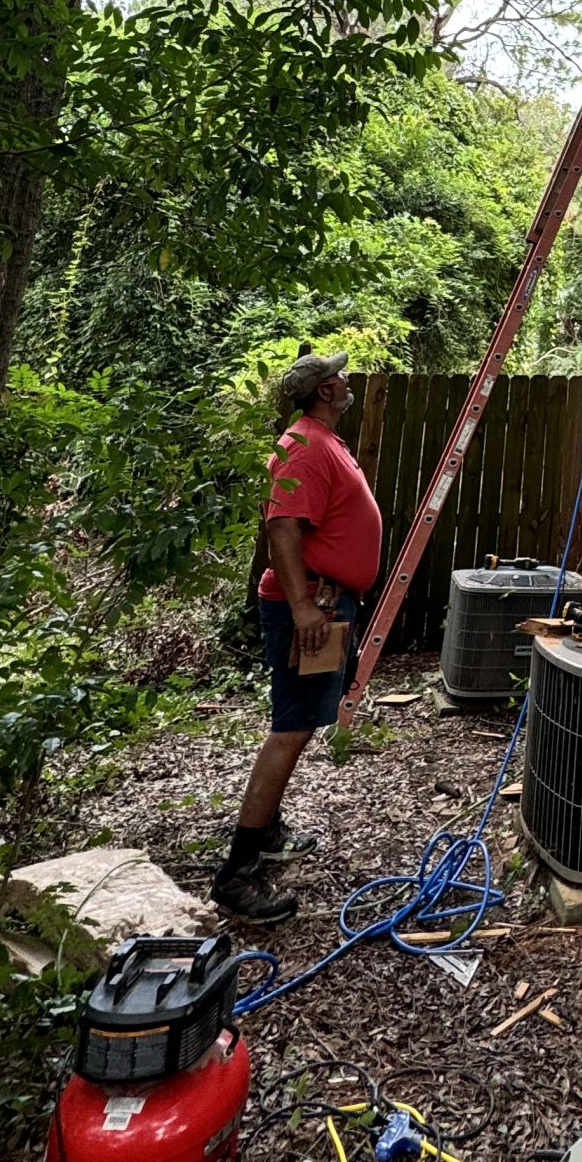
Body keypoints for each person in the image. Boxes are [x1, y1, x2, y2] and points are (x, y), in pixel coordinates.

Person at [212, 351, 384, 923]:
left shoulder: (322, 440)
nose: (348, 379)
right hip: (310, 607)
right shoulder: (303, 446)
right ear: (325, 390)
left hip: (325, 601)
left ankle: (266, 835)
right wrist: (303, 606)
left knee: (301, 723)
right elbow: (282, 527)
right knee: (289, 730)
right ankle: (236, 875)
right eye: (339, 375)